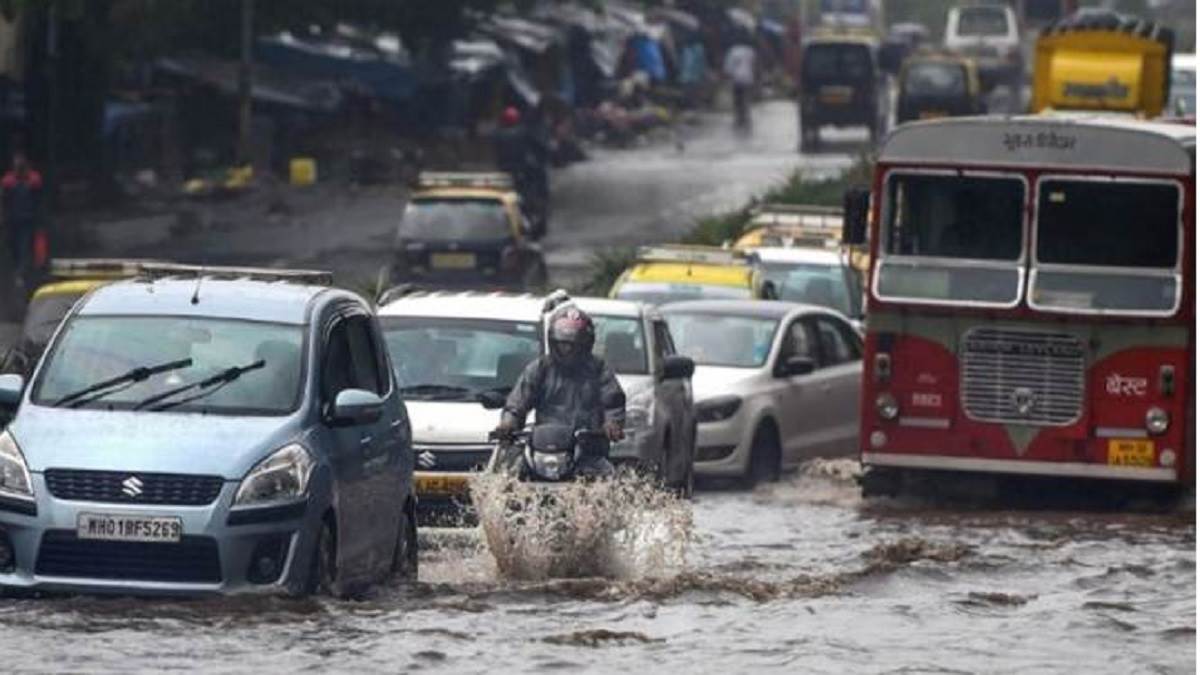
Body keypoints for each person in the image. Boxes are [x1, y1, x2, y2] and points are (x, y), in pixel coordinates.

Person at [493, 305, 625, 478]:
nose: (567, 350)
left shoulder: (599, 369)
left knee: (607, 482)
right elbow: (517, 403)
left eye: (573, 345)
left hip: (589, 450)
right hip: (542, 450)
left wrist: (612, 424)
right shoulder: (539, 368)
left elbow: (613, 402)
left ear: (586, 345)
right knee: (508, 474)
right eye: (562, 344)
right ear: (552, 342)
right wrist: (508, 424)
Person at [2, 150, 42, 282]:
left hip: (27, 219)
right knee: (13, 245)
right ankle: (18, 268)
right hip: (12, 219)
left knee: (24, 245)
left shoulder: (33, 179)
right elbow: (4, 200)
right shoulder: (8, 181)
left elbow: (38, 199)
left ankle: (21, 271)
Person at [723, 36, 757, 129]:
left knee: (737, 98)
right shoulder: (750, 51)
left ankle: (738, 117)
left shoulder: (732, 51)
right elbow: (754, 64)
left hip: (736, 78)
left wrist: (728, 75)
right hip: (748, 77)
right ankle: (746, 116)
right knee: (745, 98)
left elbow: (728, 66)